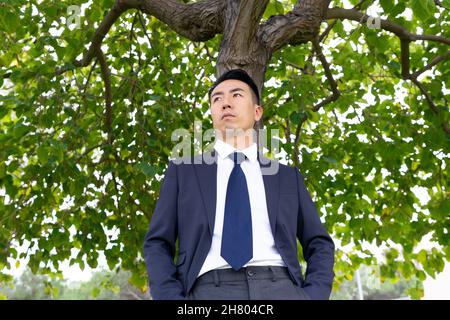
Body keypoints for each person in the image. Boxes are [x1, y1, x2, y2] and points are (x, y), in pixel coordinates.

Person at [143, 69, 335, 300]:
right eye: (217, 99)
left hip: (281, 286)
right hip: (208, 289)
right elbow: (157, 243)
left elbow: (319, 242)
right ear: (212, 113)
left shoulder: (287, 177)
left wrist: (313, 296)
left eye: (236, 95)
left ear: (257, 112)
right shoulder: (183, 172)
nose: (225, 103)